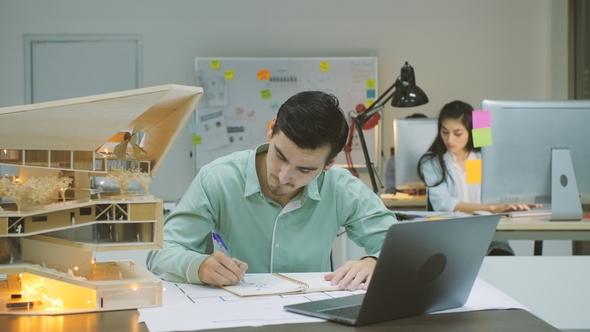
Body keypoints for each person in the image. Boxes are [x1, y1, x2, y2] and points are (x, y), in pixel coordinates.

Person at [147, 91, 397, 291]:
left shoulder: (341, 187)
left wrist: (374, 262)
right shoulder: (219, 179)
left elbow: (401, 246)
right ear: (272, 128)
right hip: (235, 314)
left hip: (311, 317)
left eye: (304, 169)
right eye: (279, 156)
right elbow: (160, 252)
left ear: (329, 163)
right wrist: (198, 265)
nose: (283, 176)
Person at [417, 100, 538, 255]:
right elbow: (445, 203)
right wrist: (490, 209)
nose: (450, 140)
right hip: (451, 240)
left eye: (458, 133)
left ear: (471, 131)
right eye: (445, 132)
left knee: (502, 261)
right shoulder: (433, 163)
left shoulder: (482, 159)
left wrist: (521, 201)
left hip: (490, 238)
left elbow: (493, 191)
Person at [384, 113, 427, 194]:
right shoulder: (393, 162)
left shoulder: (439, 160)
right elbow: (390, 192)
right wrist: (403, 191)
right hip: (404, 205)